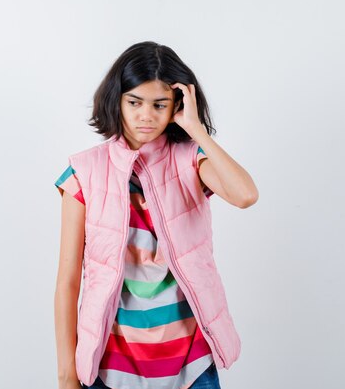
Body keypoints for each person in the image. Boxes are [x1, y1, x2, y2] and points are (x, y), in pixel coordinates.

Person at [54, 41, 258, 389]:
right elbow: (68, 280)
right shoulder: (83, 172)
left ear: (176, 105)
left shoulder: (190, 161)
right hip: (110, 365)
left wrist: (196, 130)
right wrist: (66, 377)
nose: (146, 115)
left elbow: (245, 195)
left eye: (159, 105)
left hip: (190, 364)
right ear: (115, 99)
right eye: (134, 102)